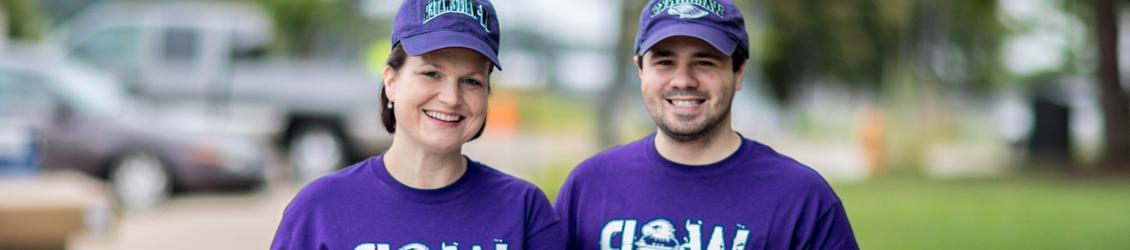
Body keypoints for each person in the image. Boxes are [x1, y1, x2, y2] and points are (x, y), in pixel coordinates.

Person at [554, 0, 859, 249]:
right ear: (640, 70)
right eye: (664, 62)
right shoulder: (590, 185)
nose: (683, 80)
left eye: (704, 62)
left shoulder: (801, 200)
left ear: (739, 72)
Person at [271, 0, 564, 249]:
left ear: (487, 93)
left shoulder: (524, 211)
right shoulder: (320, 210)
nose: (450, 98)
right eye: (431, 73)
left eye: (471, 81)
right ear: (391, 81)